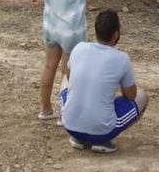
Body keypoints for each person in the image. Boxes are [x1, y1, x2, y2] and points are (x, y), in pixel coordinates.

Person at [60, 9, 148, 154]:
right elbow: (131, 95)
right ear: (116, 35)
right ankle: (102, 140)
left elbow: (69, 77)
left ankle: (79, 139)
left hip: (70, 124)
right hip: (102, 130)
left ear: (96, 31)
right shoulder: (121, 58)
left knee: (65, 79)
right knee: (142, 96)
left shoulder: (79, 48)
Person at [39, 0, 101, 120]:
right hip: (71, 30)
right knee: (68, 72)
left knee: (49, 66)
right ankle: (66, 114)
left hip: (50, 25)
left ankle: (45, 110)